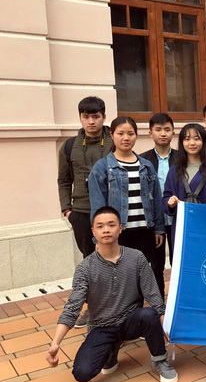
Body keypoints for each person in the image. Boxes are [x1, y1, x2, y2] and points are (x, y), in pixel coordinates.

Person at [46, 206, 178, 382]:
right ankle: (111, 352)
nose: (106, 230)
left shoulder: (136, 258)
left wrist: (166, 327)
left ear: (120, 228)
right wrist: (55, 343)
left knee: (149, 314)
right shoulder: (85, 269)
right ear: (93, 231)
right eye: (100, 226)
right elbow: (72, 307)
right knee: (82, 373)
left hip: (131, 320)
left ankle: (160, 360)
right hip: (102, 327)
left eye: (111, 225)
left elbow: (153, 295)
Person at [88, 117, 166, 297]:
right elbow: (98, 206)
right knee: (118, 277)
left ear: (136, 136)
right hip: (119, 233)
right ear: (112, 135)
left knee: (140, 275)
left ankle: (141, 311)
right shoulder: (102, 167)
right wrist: (99, 237)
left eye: (130, 133)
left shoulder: (146, 166)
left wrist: (159, 229)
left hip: (144, 231)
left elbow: (156, 199)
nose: (126, 138)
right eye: (120, 133)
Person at [57, 96, 113, 328]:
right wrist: (67, 210)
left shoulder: (114, 141)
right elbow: (63, 180)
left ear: (104, 117)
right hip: (80, 211)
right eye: (86, 117)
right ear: (80, 118)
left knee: (115, 259)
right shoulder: (69, 146)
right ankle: (93, 308)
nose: (91, 121)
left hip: (110, 212)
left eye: (95, 116)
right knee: (90, 262)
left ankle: (118, 307)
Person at [163, 123, 206, 239]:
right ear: (182, 142)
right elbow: (166, 197)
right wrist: (170, 202)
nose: (192, 143)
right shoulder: (174, 170)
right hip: (181, 228)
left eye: (196, 139)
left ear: (204, 141)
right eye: (187, 139)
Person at [140, 113, 177, 267]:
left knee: (178, 261)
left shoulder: (182, 158)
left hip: (176, 217)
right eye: (158, 129)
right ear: (150, 133)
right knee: (156, 265)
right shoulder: (143, 160)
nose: (163, 134)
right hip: (154, 219)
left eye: (167, 129)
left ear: (173, 132)